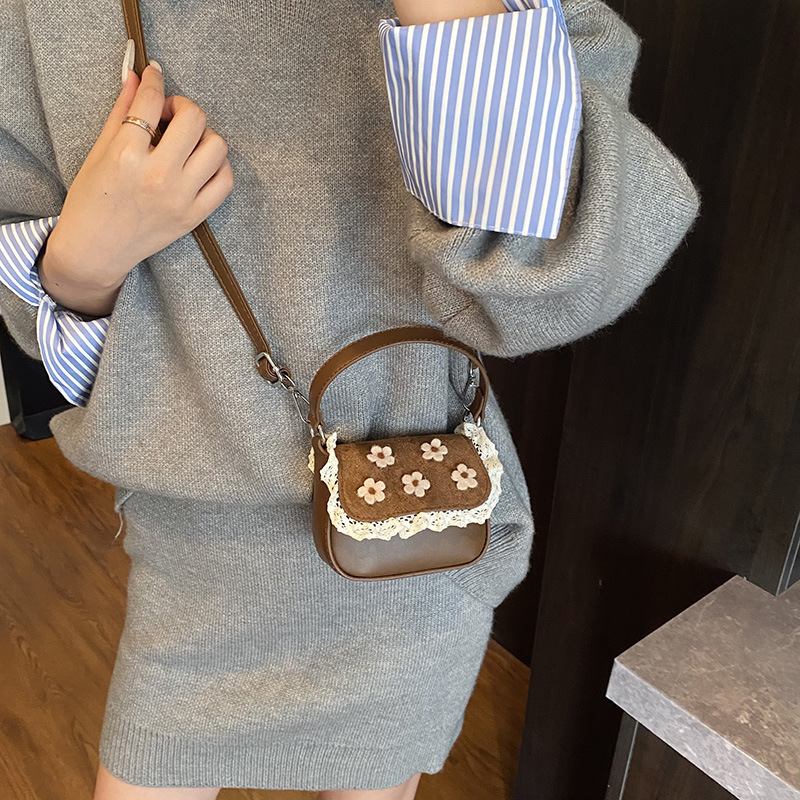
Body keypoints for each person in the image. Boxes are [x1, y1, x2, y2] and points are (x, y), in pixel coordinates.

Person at [0, 0, 700, 797]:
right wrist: (81, 264)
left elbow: (553, 275)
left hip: (408, 542)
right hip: (192, 557)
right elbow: (53, 331)